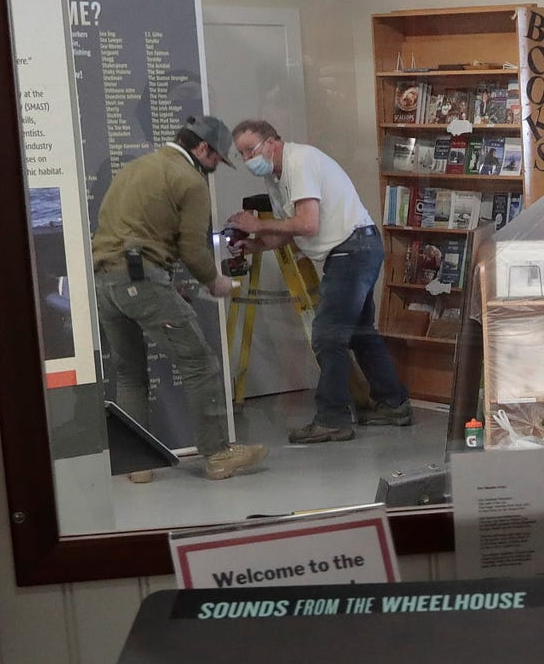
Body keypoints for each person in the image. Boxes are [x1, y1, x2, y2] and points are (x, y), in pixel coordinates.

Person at [88, 115, 267, 480]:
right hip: (141, 277)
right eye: (217, 158)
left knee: (130, 374)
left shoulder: (136, 168)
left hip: (104, 282)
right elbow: (192, 248)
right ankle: (218, 454)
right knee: (200, 364)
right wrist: (214, 281)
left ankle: (136, 463)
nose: (217, 166)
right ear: (202, 149)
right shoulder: (190, 180)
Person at [228, 119, 414, 444]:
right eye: (241, 154)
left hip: (350, 250)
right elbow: (287, 234)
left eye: (250, 150)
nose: (247, 160)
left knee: (328, 337)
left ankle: (332, 419)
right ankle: (393, 403)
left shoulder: (300, 162)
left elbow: (307, 224)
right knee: (360, 334)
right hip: (356, 248)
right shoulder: (276, 176)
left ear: (272, 142)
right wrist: (254, 244)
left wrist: (258, 226)